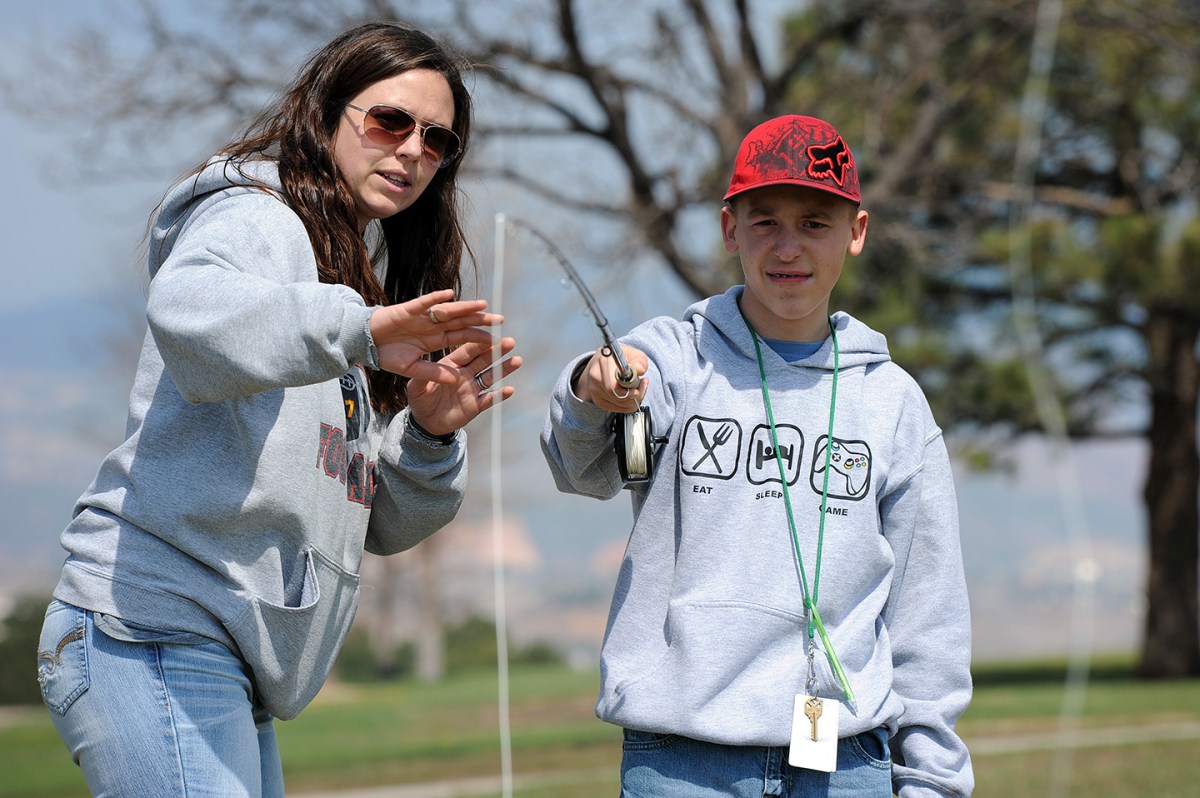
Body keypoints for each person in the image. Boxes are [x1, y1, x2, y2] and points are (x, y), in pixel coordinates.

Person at [35, 21, 521, 797]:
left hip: (227, 656)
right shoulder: (260, 216)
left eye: (438, 142)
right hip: (152, 630)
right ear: (328, 112)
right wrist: (358, 328)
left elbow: (378, 523)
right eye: (389, 121)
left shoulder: (348, 281)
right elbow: (190, 315)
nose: (411, 151)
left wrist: (428, 434)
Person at [541, 114, 973, 797]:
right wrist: (595, 393)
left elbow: (930, 613)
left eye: (814, 222)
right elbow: (582, 466)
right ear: (728, 228)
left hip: (846, 761)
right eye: (764, 220)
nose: (788, 247)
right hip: (680, 763)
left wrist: (933, 781)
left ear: (857, 232)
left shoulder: (892, 401)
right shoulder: (674, 358)